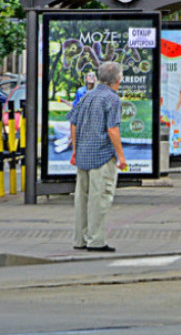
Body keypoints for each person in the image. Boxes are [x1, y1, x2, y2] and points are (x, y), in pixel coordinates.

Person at [68, 61, 127, 252]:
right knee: (99, 198)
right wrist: (121, 156)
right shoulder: (112, 99)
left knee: (81, 198)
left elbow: (74, 124)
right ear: (117, 80)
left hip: (84, 155)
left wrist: (75, 150)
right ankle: (96, 240)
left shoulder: (87, 96)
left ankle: (80, 239)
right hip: (102, 156)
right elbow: (112, 129)